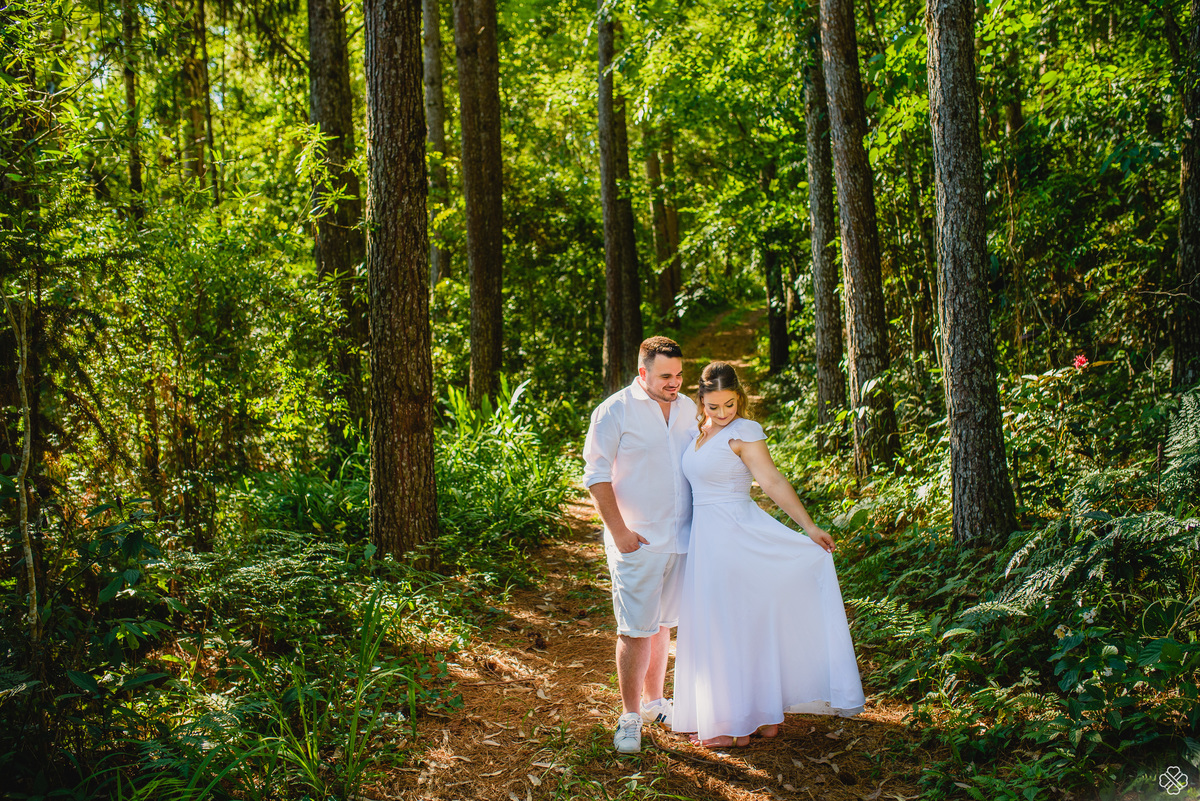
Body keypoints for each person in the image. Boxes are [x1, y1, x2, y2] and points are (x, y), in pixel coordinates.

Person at [673, 361, 865, 748]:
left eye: (730, 404)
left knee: (737, 622)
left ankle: (739, 723)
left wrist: (809, 527)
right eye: (714, 407)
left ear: (739, 398)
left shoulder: (745, 431)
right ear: (701, 402)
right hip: (707, 540)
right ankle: (753, 717)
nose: (723, 413)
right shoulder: (698, 432)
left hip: (736, 535)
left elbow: (772, 480)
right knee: (726, 623)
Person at [583, 337, 696, 754]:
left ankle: (654, 703)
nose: (676, 382)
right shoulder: (615, 410)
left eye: (680, 374)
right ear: (643, 372)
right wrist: (620, 534)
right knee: (634, 629)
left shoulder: (687, 408)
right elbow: (596, 476)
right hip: (637, 541)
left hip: (681, 539)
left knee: (663, 624)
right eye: (666, 376)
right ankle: (629, 716)